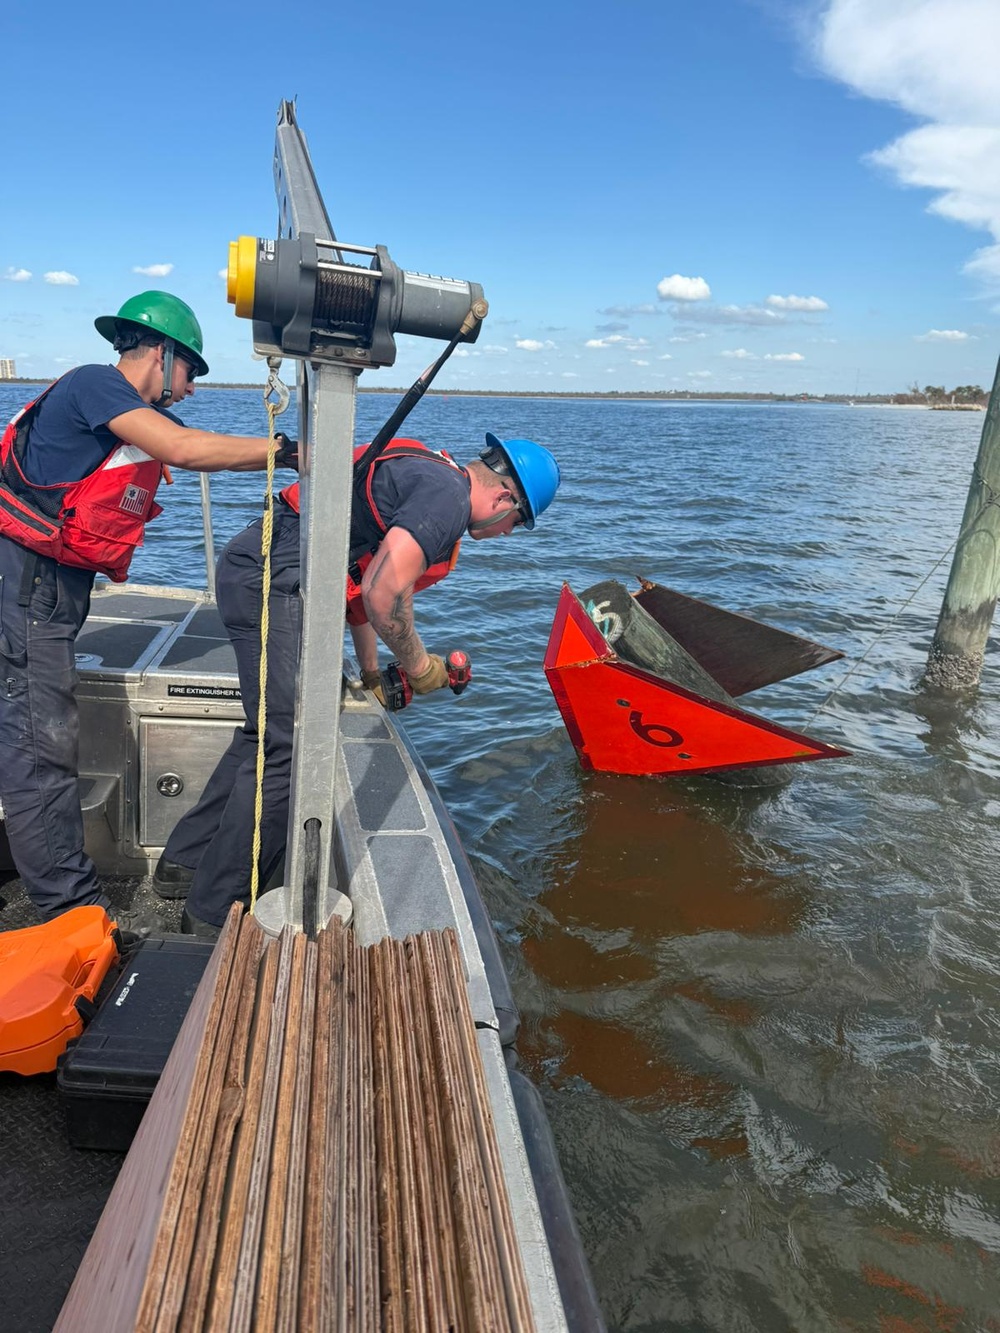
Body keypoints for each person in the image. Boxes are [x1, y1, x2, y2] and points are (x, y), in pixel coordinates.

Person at [154, 432, 561, 938]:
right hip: (274, 579)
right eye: (517, 523)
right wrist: (420, 668)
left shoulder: (430, 472)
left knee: (268, 734)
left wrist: (373, 674)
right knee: (293, 749)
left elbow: (366, 586)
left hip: (261, 568)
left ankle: (184, 864)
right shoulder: (448, 498)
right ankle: (213, 913)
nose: (507, 534)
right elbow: (383, 592)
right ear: (505, 498)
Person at [0, 291, 298, 923]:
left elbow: (187, 443)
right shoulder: (96, 385)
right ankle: (71, 911)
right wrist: (289, 451)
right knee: (38, 747)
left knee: (34, 735)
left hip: (47, 587)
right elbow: (183, 449)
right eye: (190, 371)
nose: (189, 388)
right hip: (26, 586)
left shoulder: (118, 411)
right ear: (161, 353)